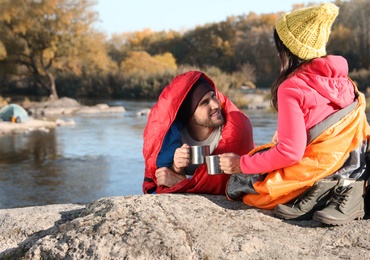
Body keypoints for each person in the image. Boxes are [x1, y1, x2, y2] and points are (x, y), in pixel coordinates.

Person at [218, 3, 370, 225]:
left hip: (317, 170)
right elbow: (325, 123)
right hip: (352, 165)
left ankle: (319, 190)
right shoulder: (343, 81)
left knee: (244, 187)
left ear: (286, 48)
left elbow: (290, 153)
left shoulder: (291, 87)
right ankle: (341, 188)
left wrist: (241, 164)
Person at [142, 70, 254, 195]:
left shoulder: (235, 131)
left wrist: (181, 181)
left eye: (213, 96)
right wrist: (176, 167)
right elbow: (164, 180)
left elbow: (239, 183)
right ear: (189, 114)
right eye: (204, 103)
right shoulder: (173, 137)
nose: (216, 105)